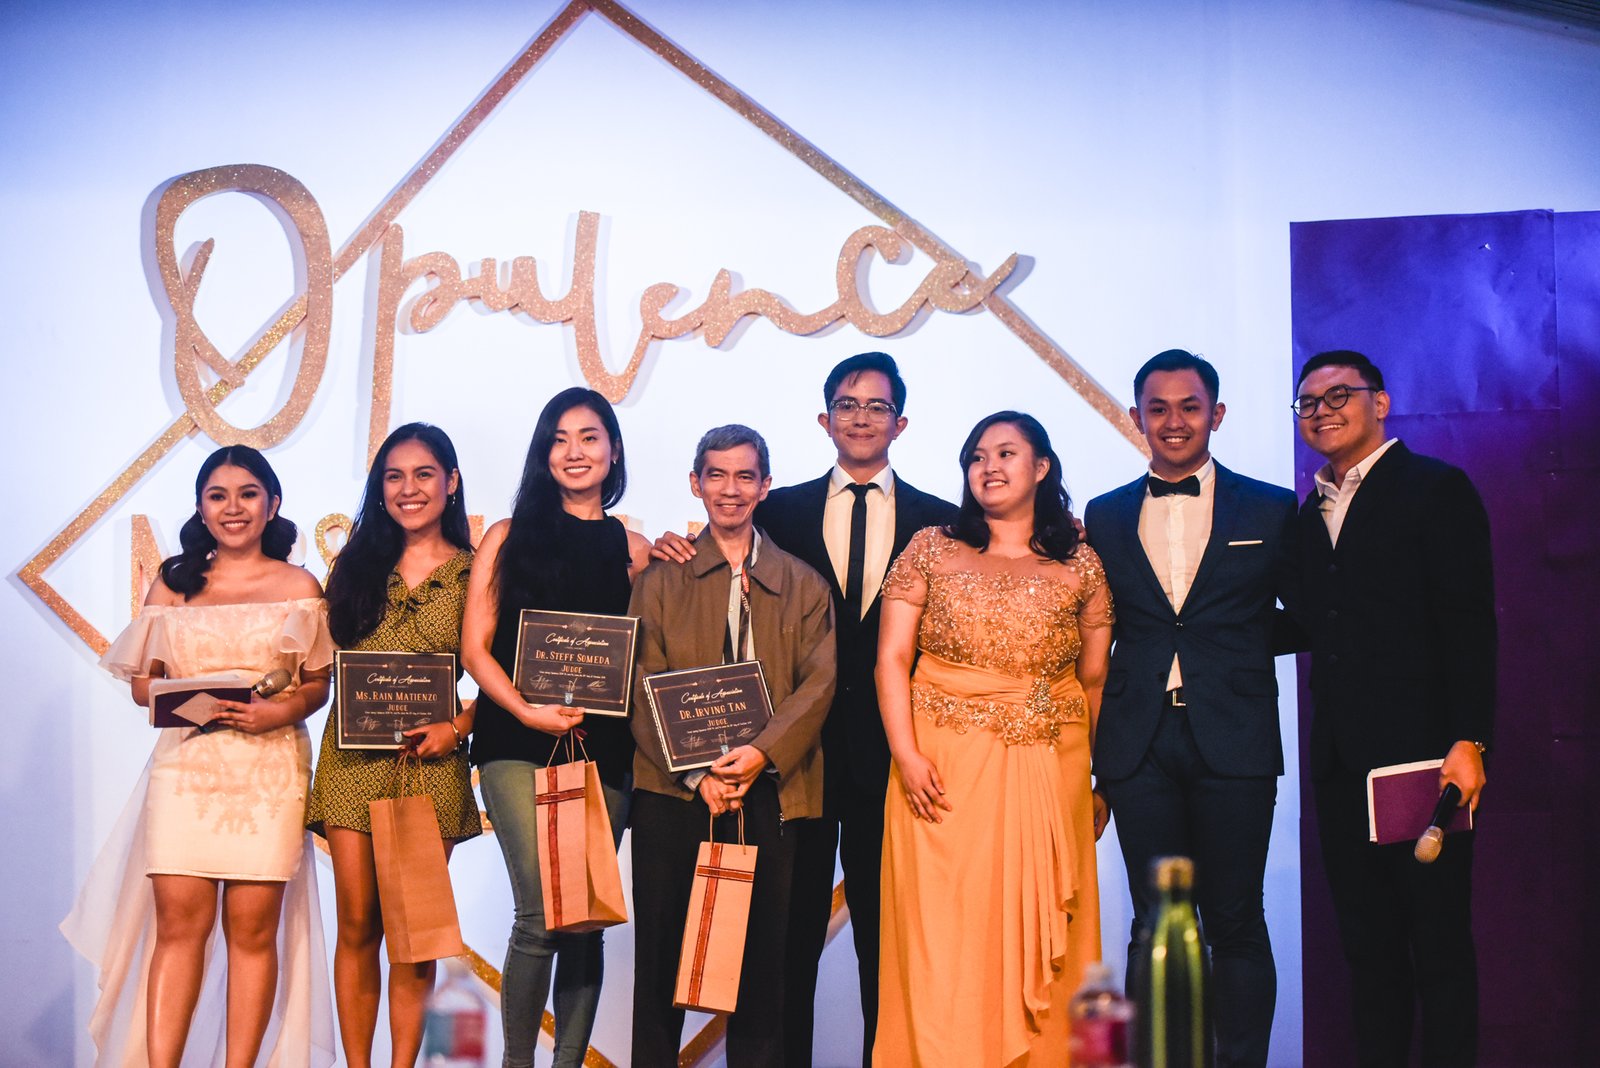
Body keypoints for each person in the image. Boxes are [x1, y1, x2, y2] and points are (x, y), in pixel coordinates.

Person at [651, 351, 957, 1067]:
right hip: (794, 763)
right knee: (785, 941)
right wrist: (663, 547)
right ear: (825, 419)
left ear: (901, 423)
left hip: (896, 759)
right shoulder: (778, 509)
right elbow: (717, 556)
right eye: (847, 404)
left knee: (891, 938)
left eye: (876, 406)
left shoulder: (941, 524)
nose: (861, 417)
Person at [62, 445, 335, 1067]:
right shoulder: (173, 582)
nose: (233, 508)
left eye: (247, 493)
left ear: (272, 504)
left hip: (268, 774)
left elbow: (318, 684)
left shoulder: (299, 587)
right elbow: (144, 686)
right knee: (178, 929)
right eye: (218, 495)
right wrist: (199, 701)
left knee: (254, 933)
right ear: (201, 508)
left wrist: (274, 713)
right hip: (186, 772)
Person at [874, 411, 1111, 1067]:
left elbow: (1094, 679)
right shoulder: (930, 547)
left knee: (1041, 928)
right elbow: (891, 659)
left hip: (1050, 770)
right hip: (937, 772)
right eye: (977, 456)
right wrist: (906, 754)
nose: (989, 467)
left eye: (1006, 453)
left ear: (1042, 467)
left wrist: (1095, 779)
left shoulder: (1082, 564)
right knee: (940, 934)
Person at [1084, 349, 1297, 1068]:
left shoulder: (1270, 506)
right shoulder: (1105, 514)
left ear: (1217, 414)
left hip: (1235, 736)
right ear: (1137, 416)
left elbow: (1309, 612)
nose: (1174, 421)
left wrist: (1232, 648)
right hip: (1137, 741)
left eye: (1189, 406)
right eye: (1158, 408)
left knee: (1235, 919)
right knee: (1152, 922)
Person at [1292, 349, 1494, 1067]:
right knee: (1368, 950)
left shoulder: (1435, 488)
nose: (1322, 411)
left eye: (1339, 395)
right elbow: (1313, 621)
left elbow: (1470, 622)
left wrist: (1471, 739)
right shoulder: (1308, 511)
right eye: (1308, 402)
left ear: (1380, 403)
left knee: (1438, 947)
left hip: (1424, 761)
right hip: (1341, 764)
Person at [628, 424, 836, 1068]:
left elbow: (819, 683)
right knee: (661, 965)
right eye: (716, 475)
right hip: (674, 794)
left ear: (765, 486)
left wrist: (761, 755)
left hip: (769, 792)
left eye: (745, 476)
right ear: (696, 484)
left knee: (761, 973)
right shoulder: (661, 579)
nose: (730, 489)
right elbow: (640, 680)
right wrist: (699, 775)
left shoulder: (803, 584)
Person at [461, 388, 651, 1068]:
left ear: (613, 450)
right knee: (541, 913)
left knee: (584, 918)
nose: (575, 452)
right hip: (516, 740)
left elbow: (653, 646)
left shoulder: (635, 549)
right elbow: (475, 649)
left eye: (589, 437)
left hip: (605, 748)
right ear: (543, 454)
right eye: (559, 439)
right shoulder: (506, 536)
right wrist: (524, 710)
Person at [307, 423, 481, 1067]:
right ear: (379, 488)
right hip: (351, 762)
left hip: (427, 766)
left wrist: (457, 727)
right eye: (394, 476)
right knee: (357, 923)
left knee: (413, 935)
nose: (409, 489)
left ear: (451, 482)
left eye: (424, 474)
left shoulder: (477, 573)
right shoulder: (353, 565)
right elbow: (318, 662)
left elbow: (504, 675)